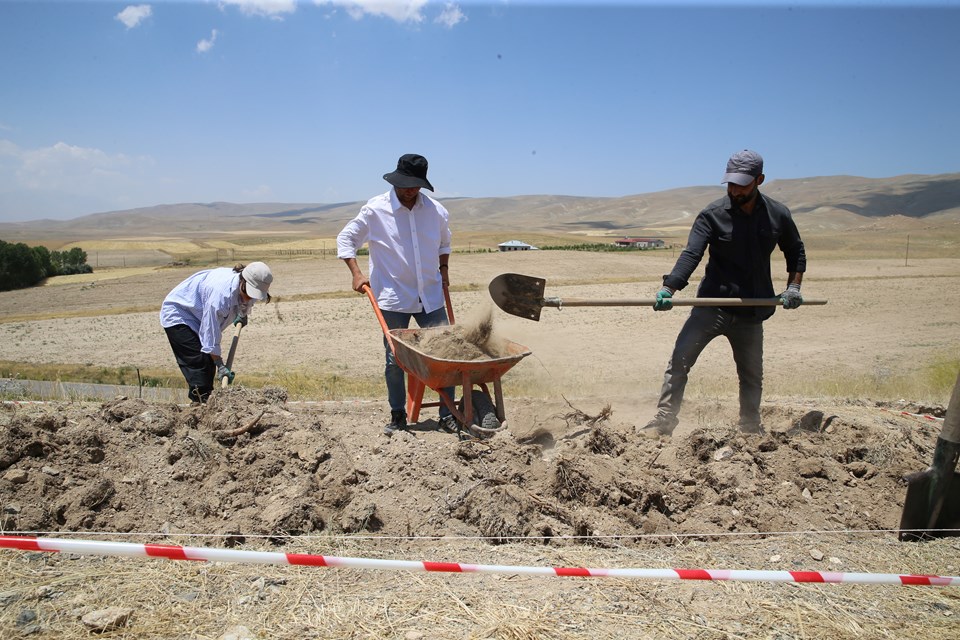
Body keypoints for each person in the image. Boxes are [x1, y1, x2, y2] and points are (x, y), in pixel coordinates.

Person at [642, 150, 806, 437]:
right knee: (679, 362)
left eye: (742, 184)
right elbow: (691, 254)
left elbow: (795, 251)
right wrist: (670, 288)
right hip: (712, 305)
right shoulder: (712, 215)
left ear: (759, 180)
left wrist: (794, 287)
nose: (734, 190)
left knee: (751, 376)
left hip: (752, 310)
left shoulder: (777, 215)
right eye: (730, 183)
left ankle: (750, 427)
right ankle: (664, 420)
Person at [337, 153, 457, 437]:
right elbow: (346, 239)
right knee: (395, 359)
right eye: (405, 185)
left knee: (447, 353)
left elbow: (445, 243)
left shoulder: (436, 211)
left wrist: (444, 269)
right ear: (396, 180)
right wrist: (355, 272)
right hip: (392, 297)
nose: (409, 191)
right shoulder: (375, 209)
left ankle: (448, 414)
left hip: (430, 294)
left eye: (415, 186)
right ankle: (398, 415)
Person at [160, 262, 273, 403]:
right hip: (180, 312)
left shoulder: (250, 285)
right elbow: (210, 334)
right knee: (200, 365)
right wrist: (219, 364)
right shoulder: (220, 295)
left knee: (208, 364)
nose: (249, 298)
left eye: (253, 295)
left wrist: (242, 314)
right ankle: (201, 408)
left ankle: (205, 404)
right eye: (248, 293)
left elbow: (245, 300)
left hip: (199, 313)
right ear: (242, 281)